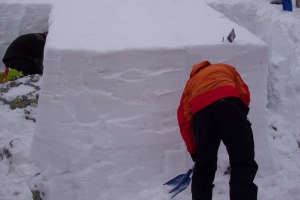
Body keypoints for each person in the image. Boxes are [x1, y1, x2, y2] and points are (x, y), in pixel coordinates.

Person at [177, 60, 258, 200]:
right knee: (242, 162)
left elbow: (184, 118)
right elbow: (244, 92)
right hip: (229, 104)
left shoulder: (190, 85)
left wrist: (195, 151)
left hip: (202, 114)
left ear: (193, 73)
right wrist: (240, 115)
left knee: (204, 166)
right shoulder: (226, 68)